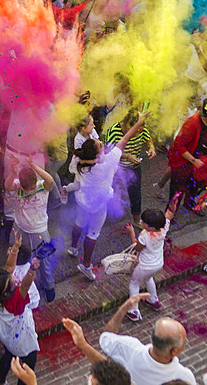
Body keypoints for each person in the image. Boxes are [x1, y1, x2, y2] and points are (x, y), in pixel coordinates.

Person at [67, 111, 150, 281]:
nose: (101, 142)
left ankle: (73, 247)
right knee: (93, 233)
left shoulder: (79, 161)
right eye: (99, 144)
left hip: (82, 200)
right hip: (98, 205)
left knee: (79, 222)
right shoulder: (108, 162)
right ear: (98, 153)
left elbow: (74, 167)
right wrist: (139, 122)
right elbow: (124, 139)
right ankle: (86, 265)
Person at [95, 295, 197, 384]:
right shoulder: (184, 377)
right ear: (174, 351)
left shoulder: (129, 348)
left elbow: (105, 337)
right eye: (183, 344)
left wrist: (123, 309)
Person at [0, 232, 40, 385]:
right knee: (26, 370)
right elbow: (26, 285)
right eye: (14, 281)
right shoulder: (15, 301)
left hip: (8, 338)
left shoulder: (0, 294)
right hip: (24, 344)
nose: (16, 278)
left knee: (8, 357)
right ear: (8, 292)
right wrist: (32, 269)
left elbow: (9, 267)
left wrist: (15, 248)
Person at [4, 147, 56, 301]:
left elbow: (50, 180)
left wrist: (34, 165)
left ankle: (49, 285)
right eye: (26, 190)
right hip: (19, 228)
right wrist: (13, 172)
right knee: (17, 257)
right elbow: (7, 186)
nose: (29, 191)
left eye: (31, 188)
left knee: (43, 261)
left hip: (39, 230)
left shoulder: (42, 187)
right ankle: (18, 285)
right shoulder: (19, 185)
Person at [167, 99, 207, 211]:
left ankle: (189, 204)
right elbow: (178, 145)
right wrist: (194, 160)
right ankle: (170, 215)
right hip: (184, 164)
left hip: (203, 163)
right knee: (177, 191)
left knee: (195, 187)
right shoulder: (192, 124)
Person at [124, 198, 177, 322]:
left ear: (152, 227)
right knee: (148, 278)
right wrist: (172, 207)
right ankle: (154, 300)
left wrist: (131, 234)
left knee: (134, 283)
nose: (141, 222)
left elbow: (137, 248)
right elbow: (169, 215)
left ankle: (133, 311)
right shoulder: (163, 229)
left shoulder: (145, 236)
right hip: (158, 263)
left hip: (145, 265)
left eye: (144, 222)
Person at [105, 110, 154, 223]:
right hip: (116, 169)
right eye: (135, 131)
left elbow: (148, 139)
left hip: (133, 167)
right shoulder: (113, 131)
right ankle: (108, 212)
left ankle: (136, 220)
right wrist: (127, 156)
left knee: (135, 194)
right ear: (127, 124)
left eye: (139, 131)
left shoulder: (141, 129)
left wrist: (151, 147)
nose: (137, 134)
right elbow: (108, 152)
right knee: (111, 191)